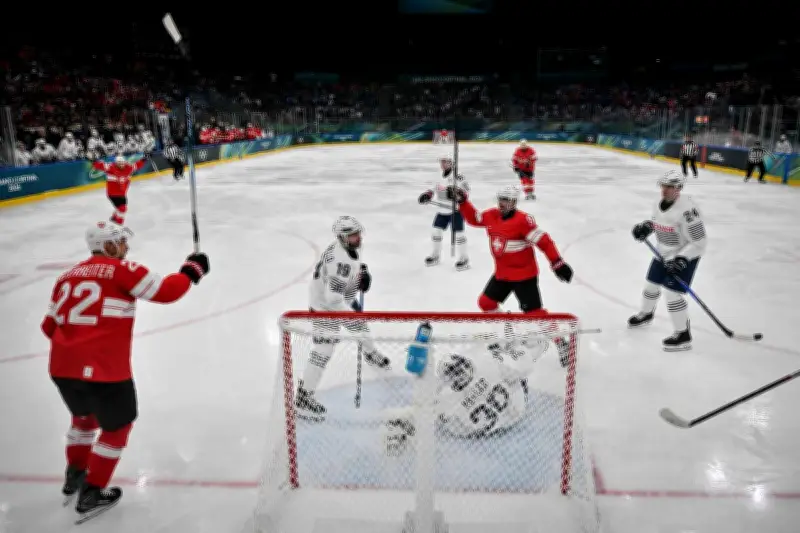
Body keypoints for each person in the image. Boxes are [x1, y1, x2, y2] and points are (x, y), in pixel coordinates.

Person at [41, 221, 209, 523]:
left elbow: (48, 327)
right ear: (105, 246)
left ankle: (74, 476)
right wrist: (191, 270)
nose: (125, 247)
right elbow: (167, 292)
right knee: (117, 428)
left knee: (82, 420)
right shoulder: (122, 270)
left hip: (62, 368)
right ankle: (92, 491)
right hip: (105, 370)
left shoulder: (66, 277)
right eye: (119, 242)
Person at [298, 216, 389, 421]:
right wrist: (350, 318)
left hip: (340, 300)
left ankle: (370, 352)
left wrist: (363, 273)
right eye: (352, 235)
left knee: (361, 327)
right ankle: (304, 397)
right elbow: (333, 299)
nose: (358, 238)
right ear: (342, 237)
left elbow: (354, 265)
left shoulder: (347, 247)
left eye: (358, 234)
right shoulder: (340, 261)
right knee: (324, 349)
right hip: (325, 307)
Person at [629, 170, 707, 351]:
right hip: (663, 253)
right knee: (651, 285)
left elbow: (700, 242)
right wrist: (647, 227)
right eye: (664, 186)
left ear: (679, 188)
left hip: (685, 256)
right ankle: (646, 314)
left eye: (670, 187)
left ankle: (683, 334)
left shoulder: (689, 211)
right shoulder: (657, 203)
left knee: (672, 293)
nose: (665, 190)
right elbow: (659, 221)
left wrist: (681, 260)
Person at [417, 153, 469, 270]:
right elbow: (432, 189)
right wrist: (427, 195)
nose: (443, 164)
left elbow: (466, 192)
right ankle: (435, 256)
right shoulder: (438, 176)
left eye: (446, 161)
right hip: (442, 210)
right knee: (436, 232)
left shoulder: (458, 177)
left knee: (459, 235)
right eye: (442, 161)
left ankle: (464, 259)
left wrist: (458, 194)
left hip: (455, 210)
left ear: (452, 163)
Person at [92, 156, 146, 225]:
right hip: (112, 194)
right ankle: (119, 225)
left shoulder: (129, 168)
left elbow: (137, 165)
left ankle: (114, 217)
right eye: (119, 163)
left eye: (122, 163)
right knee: (123, 209)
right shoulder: (110, 167)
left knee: (121, 208)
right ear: (116, 163)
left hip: (122, 194)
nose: (121, 165)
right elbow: (99, 165)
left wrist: (144, 159)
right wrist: (94, 160)